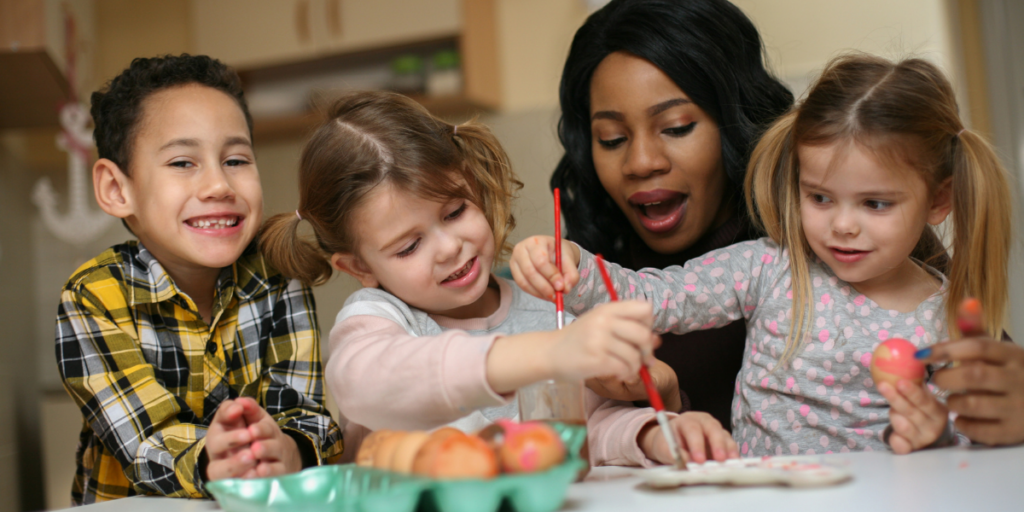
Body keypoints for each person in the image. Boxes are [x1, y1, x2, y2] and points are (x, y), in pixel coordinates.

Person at [511, 53, 1012, 456]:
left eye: (875, 203)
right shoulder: (769, 267)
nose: (841, 224)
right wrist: (573, 267)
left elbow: (975, 442)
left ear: (939, 200)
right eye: (819, 197)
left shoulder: (946, 319)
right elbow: (658, 297)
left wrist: (935, 438)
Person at [259, 90, 739, 467]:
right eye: (408, 246)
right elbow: (367, 382)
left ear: (473, 182)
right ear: (359, 267)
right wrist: (544, 355)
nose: (450, 246)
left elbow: (584, 432)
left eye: (455, 211)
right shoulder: (378, 321)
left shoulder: (542, 313)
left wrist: (653, 433)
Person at [54, 54, 342, 504]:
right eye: (183, 163)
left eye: (236, 159)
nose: (219, 185)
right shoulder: (93, 296)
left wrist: (286, 448)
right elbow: (144, 444)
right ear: (117, 189)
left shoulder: (278, 274)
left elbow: (305, 414)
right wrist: (213, 458)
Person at [547, 0, 794, 430]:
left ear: (736, 122)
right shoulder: (583, 280)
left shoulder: (820, 253)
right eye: (612, 138)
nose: (641, 162)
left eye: (677, 127)